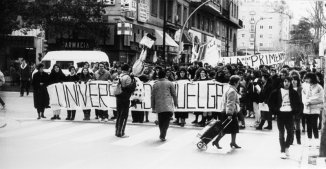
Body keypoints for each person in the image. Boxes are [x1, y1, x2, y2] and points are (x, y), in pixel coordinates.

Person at [269, 76, 301, 159]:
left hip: (290, 114)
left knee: (290, 133)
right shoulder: (276, 92)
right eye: (285, 81)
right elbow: (271, 102)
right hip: (280, 114)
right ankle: (282, 151)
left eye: (289, 81)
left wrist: (296, 112)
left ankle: (287, 147)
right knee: (281, 133)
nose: (287, 83)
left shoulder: (293, 92)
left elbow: (298, 103)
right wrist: (275, 111)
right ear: (282, 82)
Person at [212, 75, 241, 149]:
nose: (239, 84)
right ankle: (216, 141)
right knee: (226, 129)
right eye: (238, 82)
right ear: (235, 83)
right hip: (229, 112)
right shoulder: (232, 91)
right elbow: (230, 103)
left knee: (234, 128)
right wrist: (230, 114)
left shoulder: (228, 88)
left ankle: (233, 142)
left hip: (226, 111)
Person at [151, 69, 178, 141]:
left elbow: (152, 96)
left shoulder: (155, 84)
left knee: (161, 120)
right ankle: (163, 134)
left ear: (158, 76)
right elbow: (174, 94)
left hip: (159, 105)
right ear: (165, 75)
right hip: (168, 105)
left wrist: (152, 107)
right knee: (166, 120)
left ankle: (162, 134)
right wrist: (176, 103)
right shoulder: (170, 83)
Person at [302, 73, 324, 147]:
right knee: (308, 125)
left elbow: (320, 99)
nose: (306, 80)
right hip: (307, 109)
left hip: (315, 109)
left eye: (307, 78)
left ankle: (317, 140)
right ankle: (309, 140)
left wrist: (309, 101)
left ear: (311, 78)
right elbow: (303, 97)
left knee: (314, 125)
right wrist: (305, 101)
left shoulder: (319, 87)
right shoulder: (305, 86)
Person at [115, 64, 133, 138]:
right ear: (128, 69)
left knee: (119, 114)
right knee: (124, 115)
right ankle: (121, 132)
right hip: (125, 97)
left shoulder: (118, 76)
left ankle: (117, 131)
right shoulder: (127, 77)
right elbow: (128, 88)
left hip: (118, 96)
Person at [292, 76, 304, 144]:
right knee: (291, 126)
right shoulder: (290, 89)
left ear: (298, 81)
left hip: (298, 109)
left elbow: (302, 101)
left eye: (295, 80)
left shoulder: (300, 89)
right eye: (292, 80)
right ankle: (291, 140)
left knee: (298, 126)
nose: (293, 81)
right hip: (291, 110)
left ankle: (298, 140)